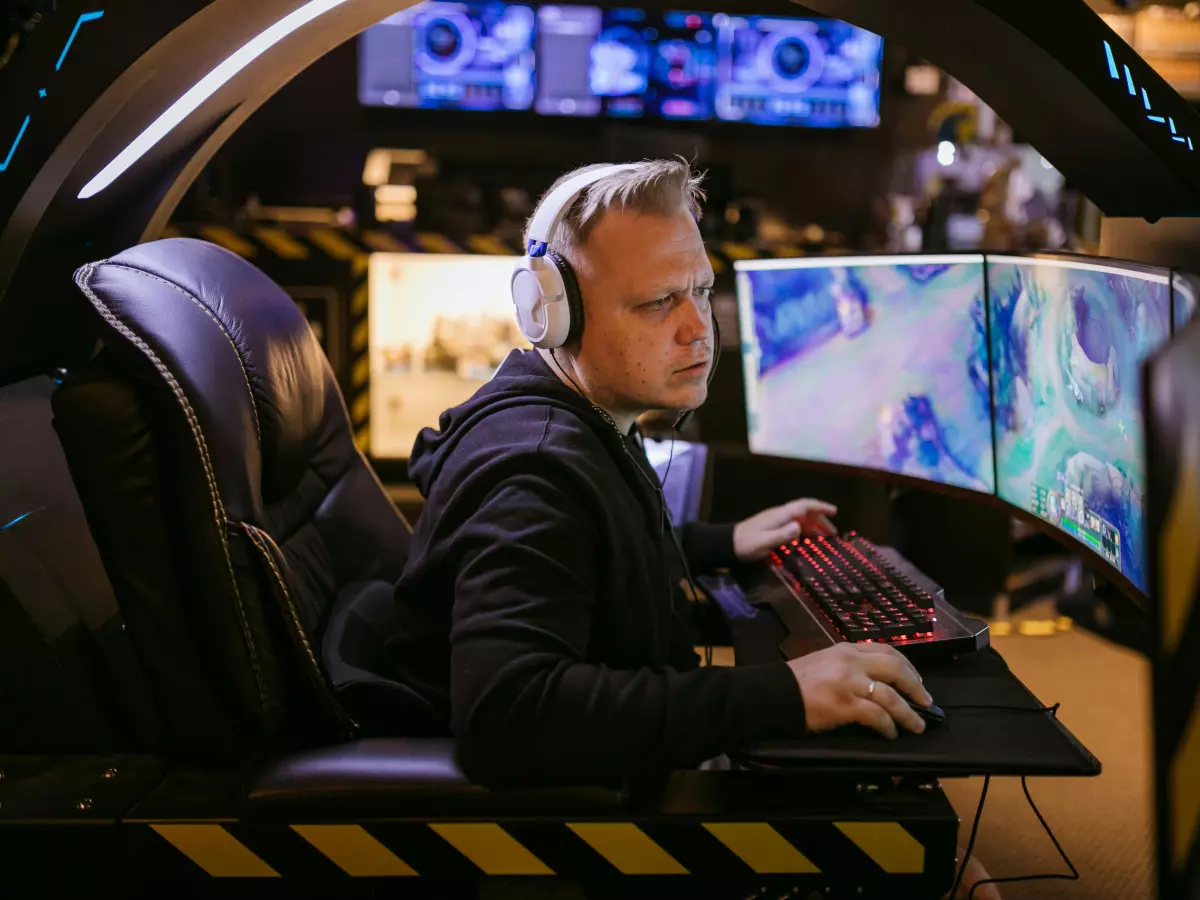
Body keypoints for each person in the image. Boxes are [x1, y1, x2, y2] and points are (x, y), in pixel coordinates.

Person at [385, 157, 939, 784]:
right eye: (657, 302)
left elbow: (587, 557)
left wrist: (717, 544)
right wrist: (784, 694)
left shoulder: (586, 421)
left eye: (701, 290)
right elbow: (507, 712)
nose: (698, 328)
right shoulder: (535, 477)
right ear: (554, 313)